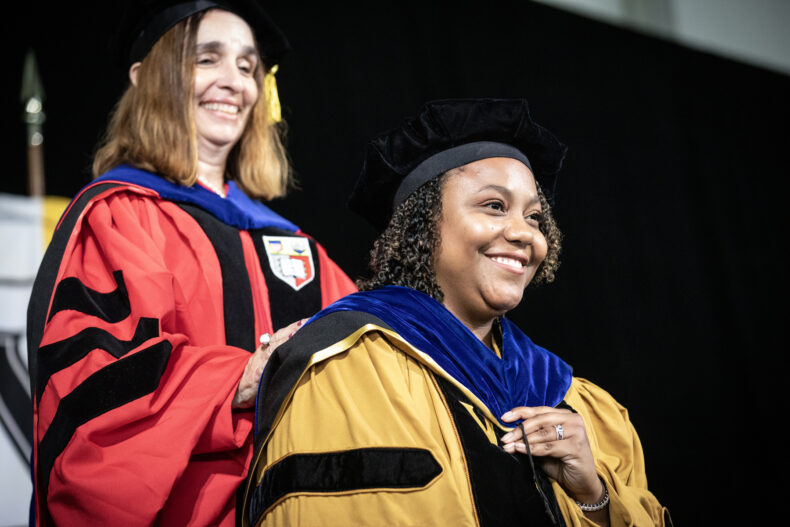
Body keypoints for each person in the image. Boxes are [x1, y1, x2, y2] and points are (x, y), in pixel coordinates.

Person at [239, 99, 671, 526]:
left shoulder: (582, 408)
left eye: (535, 216)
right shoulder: (342, 368)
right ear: (422, 226)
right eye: (494, 206)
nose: (524, 233)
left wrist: (593, 496)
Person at [26, 1, 356, 525]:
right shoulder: (118, 216)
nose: (234, 81)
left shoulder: (292, 244)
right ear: (146, 77)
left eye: (248, 67)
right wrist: (241, 377)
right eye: (208, 59)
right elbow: (95, 389)